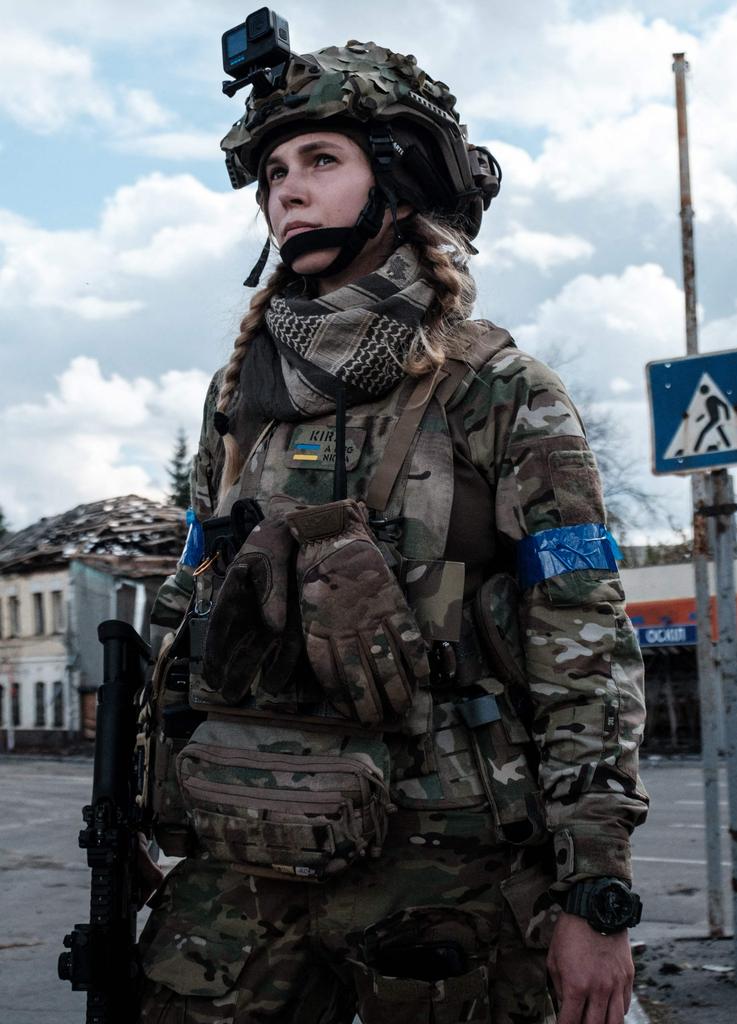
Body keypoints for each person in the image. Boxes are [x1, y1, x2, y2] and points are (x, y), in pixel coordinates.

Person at [137, 34, 649, 1024]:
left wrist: (595, 891)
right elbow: (181, 614)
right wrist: (140, 811)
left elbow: (584, 646)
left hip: (445, 872)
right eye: (276, 172)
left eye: (322, 160)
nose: (288, 191)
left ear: (400, 179)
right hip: (243, 860)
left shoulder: (499, 394)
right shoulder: (238, 401)